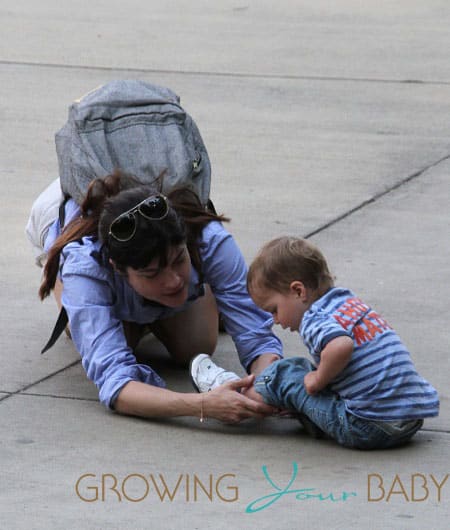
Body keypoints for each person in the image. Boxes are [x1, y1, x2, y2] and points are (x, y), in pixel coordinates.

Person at [33, 171, 283, 423]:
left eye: (179, 260)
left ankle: (154, 305)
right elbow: (116, 385)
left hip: (137, 200)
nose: (173, 279)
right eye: (152, 274)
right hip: (65, 219)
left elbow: (260, 341)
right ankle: (113, 312)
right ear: (117, 269)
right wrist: (203, 404)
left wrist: (262, 387)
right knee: (120, 341)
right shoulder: (85, 267)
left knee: (196, 346)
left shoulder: (209, 238)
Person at [190, 236, 439, 449]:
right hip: (408, 420)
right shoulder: (347, 303)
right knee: (310, 374)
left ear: (298, 291)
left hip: (366, 427)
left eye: (274, 309)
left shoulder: (314, 318)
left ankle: (242, 394)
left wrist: (317, 380)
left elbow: (341, 346)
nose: (274, 320)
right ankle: (289, 405)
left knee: (286, 373)